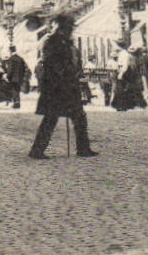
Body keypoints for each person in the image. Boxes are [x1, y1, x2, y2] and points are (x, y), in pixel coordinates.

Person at [30, 14, 97, 159]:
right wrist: (65, 74)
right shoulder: (53, 42)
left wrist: (73, 74)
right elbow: (53, 64)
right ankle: (37, 150)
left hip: (68, 86)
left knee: (79, 117)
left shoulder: (65, 42)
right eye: (70, 27)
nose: (71, 30)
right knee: (51, 119)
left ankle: (83, 148)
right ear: (63, 27)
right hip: (57, 88)